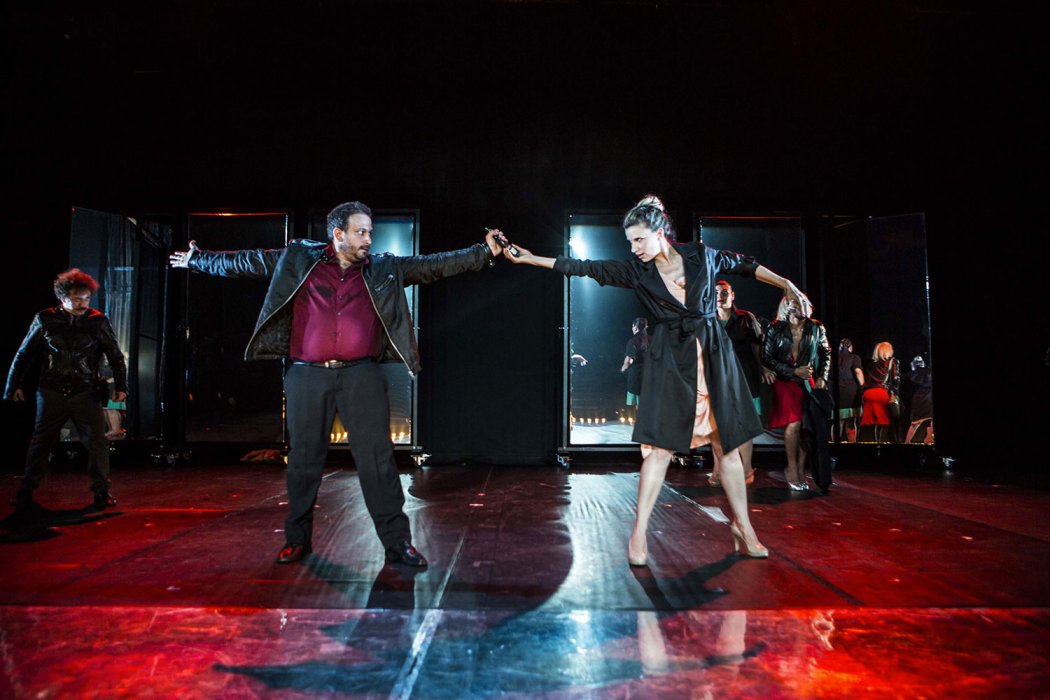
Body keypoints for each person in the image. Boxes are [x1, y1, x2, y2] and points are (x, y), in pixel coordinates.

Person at [170, 201, 504, 566]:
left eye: (370, 232)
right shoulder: (299, 258)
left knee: (377, 461)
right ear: (338, 233)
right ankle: (297, 540)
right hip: (307, 375)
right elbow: (247, 262)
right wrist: (198, 260)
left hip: (361, 375)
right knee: (303, 460)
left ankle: (397, 544)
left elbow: (434, 266)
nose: (368, 239)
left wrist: (483, 252)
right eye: (361, 232)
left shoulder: (383, 268)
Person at [501, 195, 811, 564]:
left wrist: (787, 285)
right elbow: (584, 267)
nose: (633, 248)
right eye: (629, 242)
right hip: (672, 362)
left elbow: (747, 265)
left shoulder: (701, 255)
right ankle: (638, 533)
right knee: (659, 449)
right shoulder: (638, 272)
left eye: (638, 240)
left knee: (727, 448)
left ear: (660, 232)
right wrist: (532, 258)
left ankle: (744, 527)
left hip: (714, 358)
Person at [5, 269, 127, 510]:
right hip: (51, 390)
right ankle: (26, 491)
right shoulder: (45, 318)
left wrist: (121, 387)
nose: (83, 303)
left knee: (97, 442)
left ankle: (102, 491)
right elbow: (24, 354)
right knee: (41, 443)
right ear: (62, 297)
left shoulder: (97, 320)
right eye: (77, 298)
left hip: (85, 391)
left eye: (86, 298)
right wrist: (13, 385)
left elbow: (115, 355)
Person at [708, 280, 773, 487]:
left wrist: (764, 367)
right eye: (717, 292)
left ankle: (746, 470)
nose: (720, 296)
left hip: (744, 379)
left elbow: (759, 345)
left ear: (732, 295)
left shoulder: (746, 318)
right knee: (716, 428)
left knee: (744, 426)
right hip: (717, 379)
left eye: (724, 292)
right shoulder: (709, 319)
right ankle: (718, 470)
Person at [762, 295, 831, 491]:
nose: (799, 306)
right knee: (794, 423)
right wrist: (792, 371)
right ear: (787, 306)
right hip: (785, 380)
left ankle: (801, 468)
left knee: (807, 427)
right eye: (795, 302)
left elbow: (826, 352)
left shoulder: (816, 327)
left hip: (807, 382)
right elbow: (767, 357)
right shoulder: (775, 328)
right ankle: (791, 468)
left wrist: (822, 377)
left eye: (802, 302)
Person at [860, 341, 900, 443]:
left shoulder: (870, 364)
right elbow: (895, 381)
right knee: (884, 421)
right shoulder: (891, 363)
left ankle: (874, 442)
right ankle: (880, 443)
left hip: (868, 393)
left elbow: (865, 380)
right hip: (881, 393)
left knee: (874, 421)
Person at [620, 317, 649, 420]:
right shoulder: (652, 339)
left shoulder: (633, 341)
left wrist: (622, 369)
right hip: (651, 376)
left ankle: (640, 426)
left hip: (637, 377)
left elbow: (628, 361)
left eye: (632, 326)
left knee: (639, 406)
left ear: (635, 327)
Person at [835, 338, 865, 442]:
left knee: (837, 421)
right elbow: (858, 371)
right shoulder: (854, 357)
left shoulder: (832, 358)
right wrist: (862, 385)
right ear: (850, 347)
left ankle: (835, 445)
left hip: (836, 393)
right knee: (851, 421)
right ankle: (852, 445)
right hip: (850, 393)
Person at [904, 355, 933, 444]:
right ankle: (927, 439)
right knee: (921, 421)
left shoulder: (914, 373)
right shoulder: (923, 371)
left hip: (921, 397)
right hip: (926, 397)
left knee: (916, 422)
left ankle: (927, 439)